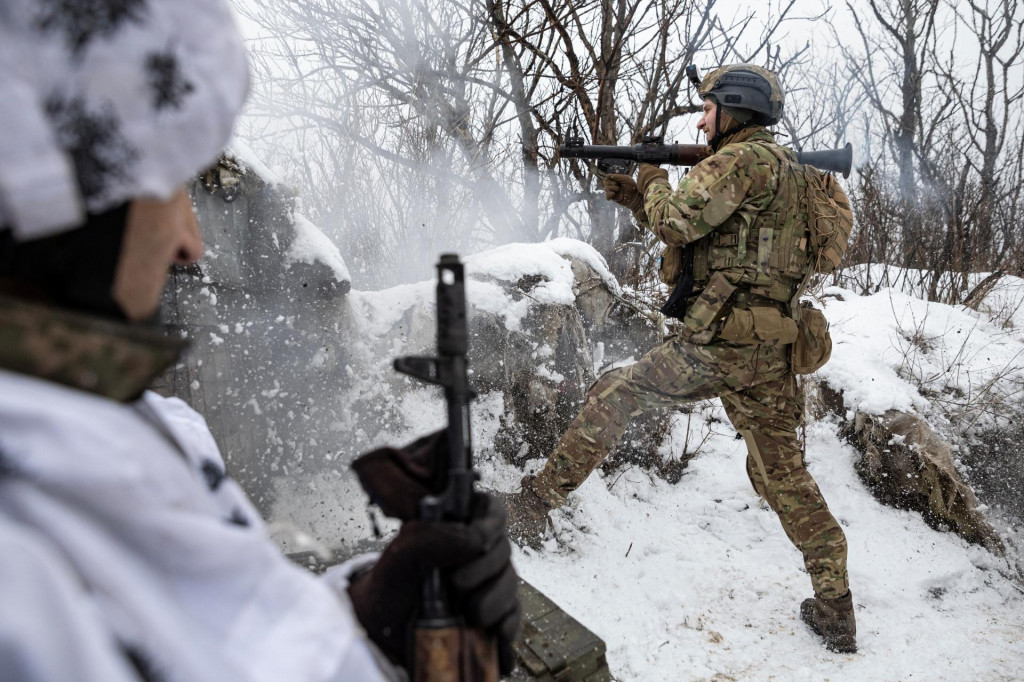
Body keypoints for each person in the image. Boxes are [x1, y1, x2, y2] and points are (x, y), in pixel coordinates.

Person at [0, 3, 518, 680]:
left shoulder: (155, 429)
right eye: (169, 188)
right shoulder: (22, 559)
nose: (189, 244)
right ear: (56, 189)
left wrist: (367, 617)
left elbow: (232, 640)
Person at [503, 64, 856, 653]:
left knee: (616, 392)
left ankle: (535, 505)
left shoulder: (739, 162)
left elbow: (675, 220)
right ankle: (836, 606)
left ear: (736, 110)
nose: (702, 118)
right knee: (785, 477)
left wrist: (649, 175)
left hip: (717, 346)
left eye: (710, 108)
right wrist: (631, 190)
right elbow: (703, 233)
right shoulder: (797, 174)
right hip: (770, 351)